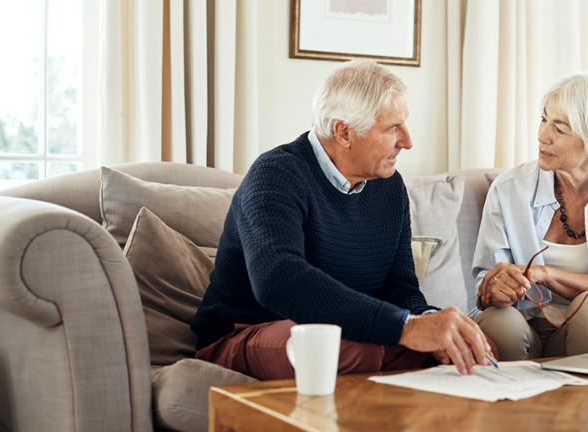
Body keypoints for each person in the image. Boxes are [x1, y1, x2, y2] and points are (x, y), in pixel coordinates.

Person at [191, 59, 496, 380]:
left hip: (351, 334)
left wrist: (432, 321)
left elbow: (400, 287)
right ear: (344, 132)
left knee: (474, 347)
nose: (407, 141)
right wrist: (405, 327)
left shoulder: (390, 187)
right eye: (393, 128)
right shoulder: (276, 174)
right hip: (245, 334)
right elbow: (279, 282)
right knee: (349, 348)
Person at [472, 71, 588, 361]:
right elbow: (486, 278)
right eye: (544, 120)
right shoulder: (508, 189)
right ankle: (512, 400)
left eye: (560, 128)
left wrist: (544, 274)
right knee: (497, 318)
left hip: (584, 329)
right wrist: (495, 288)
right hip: (522, 326)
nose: (542, 136)